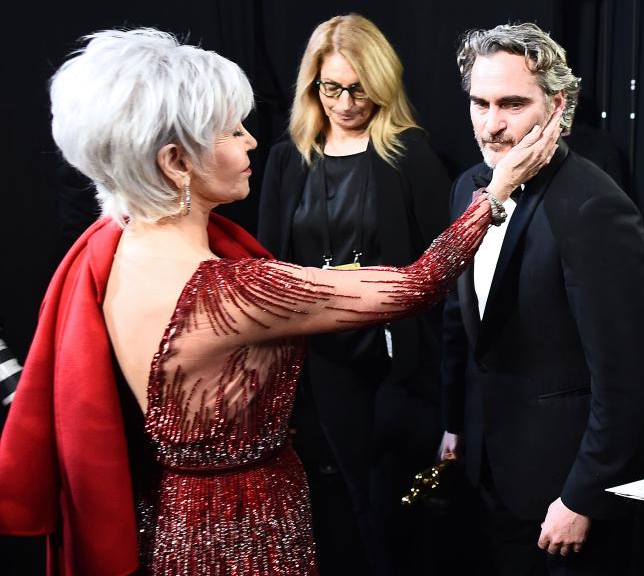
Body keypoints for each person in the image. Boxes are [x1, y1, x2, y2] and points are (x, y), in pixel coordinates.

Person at [0, 28, 557, 575]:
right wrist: (498, 190)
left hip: (175, 519)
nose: (249, 142)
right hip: (243, 532)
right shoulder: (226, 291)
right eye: (230, 131)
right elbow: (418, 284)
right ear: (175, 162)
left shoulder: (110, 248)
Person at [439, 22, 644, 575]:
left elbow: (624, 375)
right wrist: (455, 423)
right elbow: (461, 324)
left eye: (512, 104)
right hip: (490, 468)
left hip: (564, 489)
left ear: (557, 106)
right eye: (481, 103)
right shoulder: (468, 185)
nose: (493, 125)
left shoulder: (593, 206)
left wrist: (584, 494)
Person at [257, 14, 450, 574]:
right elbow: (270, 270)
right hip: (322, 363)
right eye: (331, 87)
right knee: (352, 502)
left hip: (399, 362)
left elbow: (442, 264)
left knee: (399, 506)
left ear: (382, 83)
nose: (345, 101)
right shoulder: (286, 158)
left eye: (358, 88)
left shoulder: (410, 154)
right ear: (312, 86)